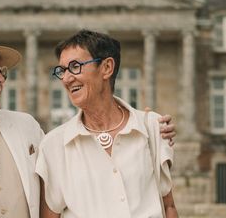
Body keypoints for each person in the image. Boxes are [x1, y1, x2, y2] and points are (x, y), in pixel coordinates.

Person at [0, 26, 176, 218]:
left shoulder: (27, 128)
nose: (1, 77)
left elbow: (84, 147)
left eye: (1, 70)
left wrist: (145, 124)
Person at [36, 29, 179, 218]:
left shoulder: (152, 127)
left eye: (75, 66)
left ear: (107, 68)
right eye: (62, 71)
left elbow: (168, 206)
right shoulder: (54, 144)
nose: (67, 78)